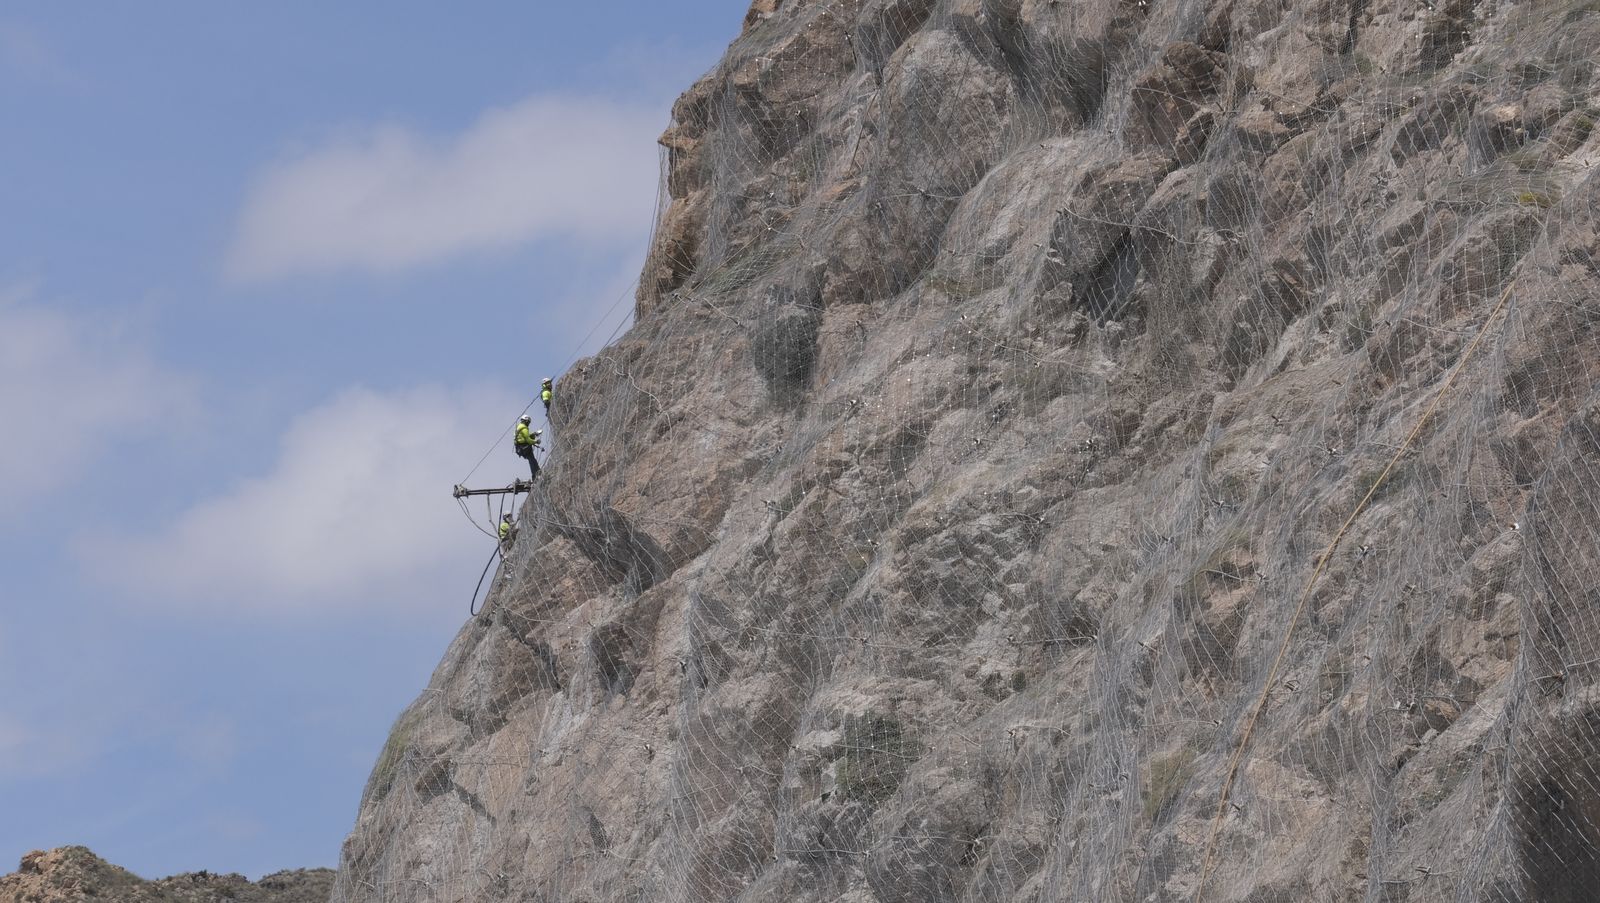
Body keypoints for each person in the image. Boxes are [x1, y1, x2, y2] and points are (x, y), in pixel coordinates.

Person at [514, 414, 543, 481]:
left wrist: (533, 434)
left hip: (520, 448)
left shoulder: (519, 427)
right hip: (524, 447)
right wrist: (536, 441)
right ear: (526, 421)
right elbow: (528, 440)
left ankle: (537, 473)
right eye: (528, 422)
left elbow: (524, 437)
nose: (528, 424)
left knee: (532, 460)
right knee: (532, 460)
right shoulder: (524, 428)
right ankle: (536, 475)